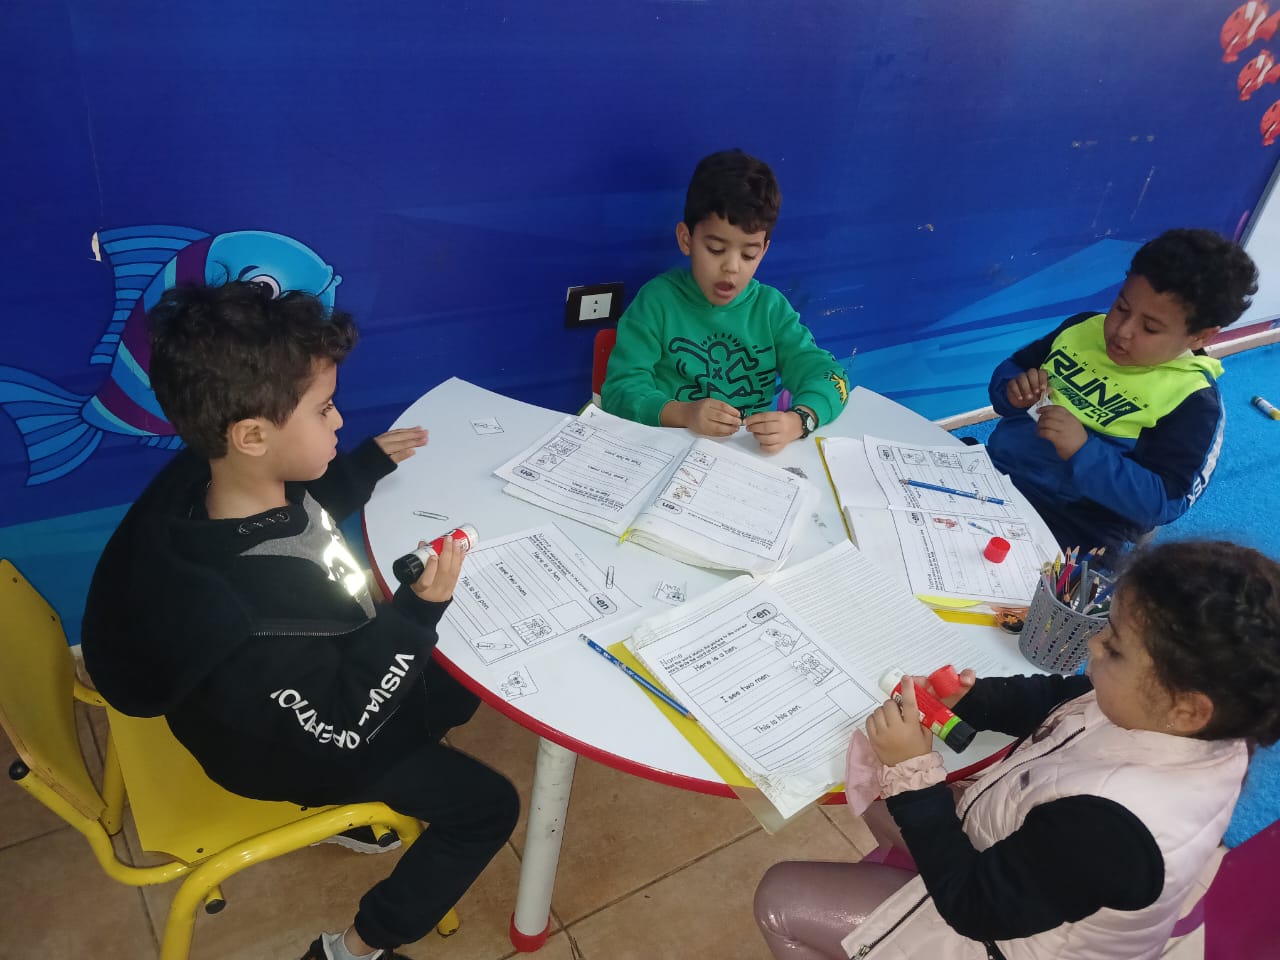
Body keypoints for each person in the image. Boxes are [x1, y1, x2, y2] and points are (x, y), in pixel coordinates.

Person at [80, 281, 519, 960]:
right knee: (489, 806)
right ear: (253, 434)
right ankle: (354, 947)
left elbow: (302, 512)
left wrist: (362, 468)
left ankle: (384, 782)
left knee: (465, 676)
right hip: (297, 752)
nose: (339, 421)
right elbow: (341, 728)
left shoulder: (213, 481)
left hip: (287, 696)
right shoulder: (251, 620)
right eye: (324, 409)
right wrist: (414, 618)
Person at [754, 538, 1280, 960]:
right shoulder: (1196, 720)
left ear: (1186, 709)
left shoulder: (1114, 833)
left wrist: (913, 772)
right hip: (1019, 862)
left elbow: (973, 908)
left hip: (1006, 939)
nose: (1093, 644)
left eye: (1113, 647)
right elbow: (1063, 699)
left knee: (780, 897)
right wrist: (973, 699)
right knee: (876, 786)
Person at [984, 228, 1258, 557]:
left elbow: (1164, 502)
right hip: (996, 471)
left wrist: (1083, 450)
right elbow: (1011, 372)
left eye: (1150, 328)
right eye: (1121, 307)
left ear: (1201, 337)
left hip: (1078, 523)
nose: (1122, 331)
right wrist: (1012, 392)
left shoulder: (1193, 402)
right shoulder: (1082, 330)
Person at [601, 148, 850, 453]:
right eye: (716, 249)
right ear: (686, 239)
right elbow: (619, 391)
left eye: (749, 254)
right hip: (664, 453)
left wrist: (799, 420)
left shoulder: (771, 310)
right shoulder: (657, 303)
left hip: (746, 461)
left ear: (764, 251)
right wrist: (684, 413)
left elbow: (830, 376)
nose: (732, 267)